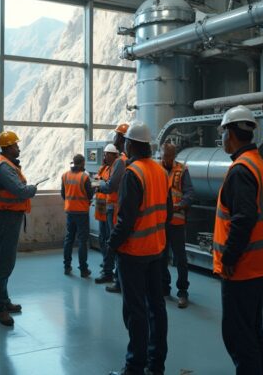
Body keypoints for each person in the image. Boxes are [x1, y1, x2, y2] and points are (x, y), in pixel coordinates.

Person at [213, 105, 263, 375]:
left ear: (230, 132)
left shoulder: (241, 170)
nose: (223, 138)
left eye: (224, 132)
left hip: (242, 268)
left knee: (239, 338)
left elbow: (243, 219)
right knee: (254, 332)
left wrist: (229, 257)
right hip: (260, 264)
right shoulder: (258, 164)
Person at [107, 122, 172, 375]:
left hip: (133, 253)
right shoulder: (160, 172)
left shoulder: (133, 174)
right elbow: (165, 213)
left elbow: (126, 220)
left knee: (135, 312)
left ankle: (134, 366)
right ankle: (156, 365)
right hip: (157, 250)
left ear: (131, 145)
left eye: (124, 142)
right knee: (157, 308)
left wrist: (111, 245)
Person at [0, 130, 37, 326]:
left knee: (7, 261)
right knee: (5, 262)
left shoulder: (6, 164)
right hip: (8, 216)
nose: (18, 147)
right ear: (8, 148)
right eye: (16, 145)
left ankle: (1, 299)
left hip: (10, 215)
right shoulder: (4, 167)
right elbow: (19, 190)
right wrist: (31, 190)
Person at [158, 142, 195, 308]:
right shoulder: (156, 169)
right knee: (161, 257)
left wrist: (179, 205)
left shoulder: (182, 170)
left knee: (180, 258)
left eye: (169, 156)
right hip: (160, 222)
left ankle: (182, 292)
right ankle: (164, 288)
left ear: (174, 156)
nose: (166, 159)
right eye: (164, 155)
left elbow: (190, 193)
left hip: (177, 221)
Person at [102, 123, 129, 293]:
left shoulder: (121, 162)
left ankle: (119, 282)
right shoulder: (127, 161)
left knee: (117, 245)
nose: (115, 138)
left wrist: (100, 186)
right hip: (117, 207)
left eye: (118, 136)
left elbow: (111, 186)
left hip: (117, 208)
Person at [60, 154, 94, 277]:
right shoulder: (84, 177)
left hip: (70, 211)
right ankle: (83, 269)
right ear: (82, 163)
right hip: (82, 213)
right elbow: (90, 195)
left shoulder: (65, 176)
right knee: (82, 241)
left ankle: (67, 266)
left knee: (69, 239)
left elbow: (63, 194)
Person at [94, 144, 118, 284]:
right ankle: (106, 262)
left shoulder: (116, 168)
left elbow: (108, 185)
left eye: (107, 155)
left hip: (111, 207)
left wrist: (101, 184)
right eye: (104, 155)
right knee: (103, 237)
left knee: (110, 238)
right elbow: (99, 182)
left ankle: (111, 266)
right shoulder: (104, 168)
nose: (104, 157)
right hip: (102, 206)